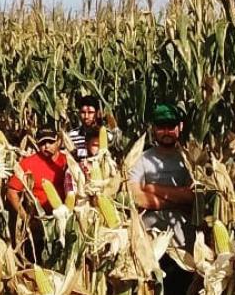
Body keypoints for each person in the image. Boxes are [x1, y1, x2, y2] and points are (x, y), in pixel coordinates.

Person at [127, 103, 194, 247]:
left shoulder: (189, 160)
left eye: (171, 127)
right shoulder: (140, 159)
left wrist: (152, 188)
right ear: (153, 129)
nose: (166, 132)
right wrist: (178, 201)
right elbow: (136, 198)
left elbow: (192, 196)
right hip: (148, 237)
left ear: (180, 127)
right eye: (161, 127)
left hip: (183, 237)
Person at [7, 127, 70, 214]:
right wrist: (24, 216)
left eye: (51, 142)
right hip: (39, 217)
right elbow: (11, 192)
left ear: (58, 142)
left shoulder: (68, 162)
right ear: (37, 143)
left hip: (67, 215)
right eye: (42, 143)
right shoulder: (27, 163)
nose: (47, 146)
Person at [68, 95, 121, 161]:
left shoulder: (108, 136)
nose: (86, 116)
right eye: (83, 112)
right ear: (79, 113)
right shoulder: (71, 136)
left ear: (97, 113)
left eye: (90, 112)